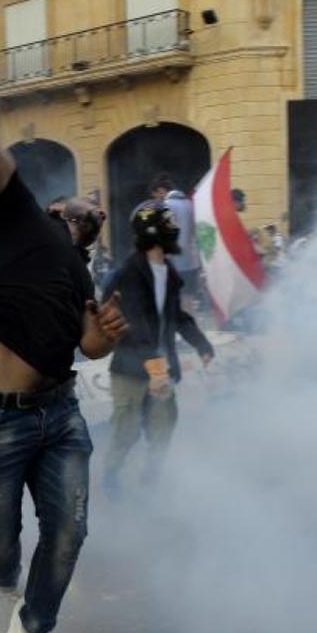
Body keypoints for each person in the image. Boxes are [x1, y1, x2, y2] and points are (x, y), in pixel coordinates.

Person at [0, 0, 128, 633]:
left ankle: (32, 632)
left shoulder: (84, 272)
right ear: (59, 208)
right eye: (88, 203)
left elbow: (90, 349)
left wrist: (108, 336)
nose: (96, 209)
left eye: (100, 214)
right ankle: (5, 583)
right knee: (0, 547)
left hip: (60, 413)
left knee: (71, 528)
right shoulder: (22, 219)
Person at [101, 201, 214, 498]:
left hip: (162, 368)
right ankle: (110, 477)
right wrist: (155, 368)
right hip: (132, 369)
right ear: (153, 232)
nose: (176, 230)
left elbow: (177, 316)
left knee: (162, 429)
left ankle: (151, 483)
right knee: (126, 431)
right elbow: (135, 323)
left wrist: (201, 344)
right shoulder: (130, 273)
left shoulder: (169, 273)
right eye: (170, 225)